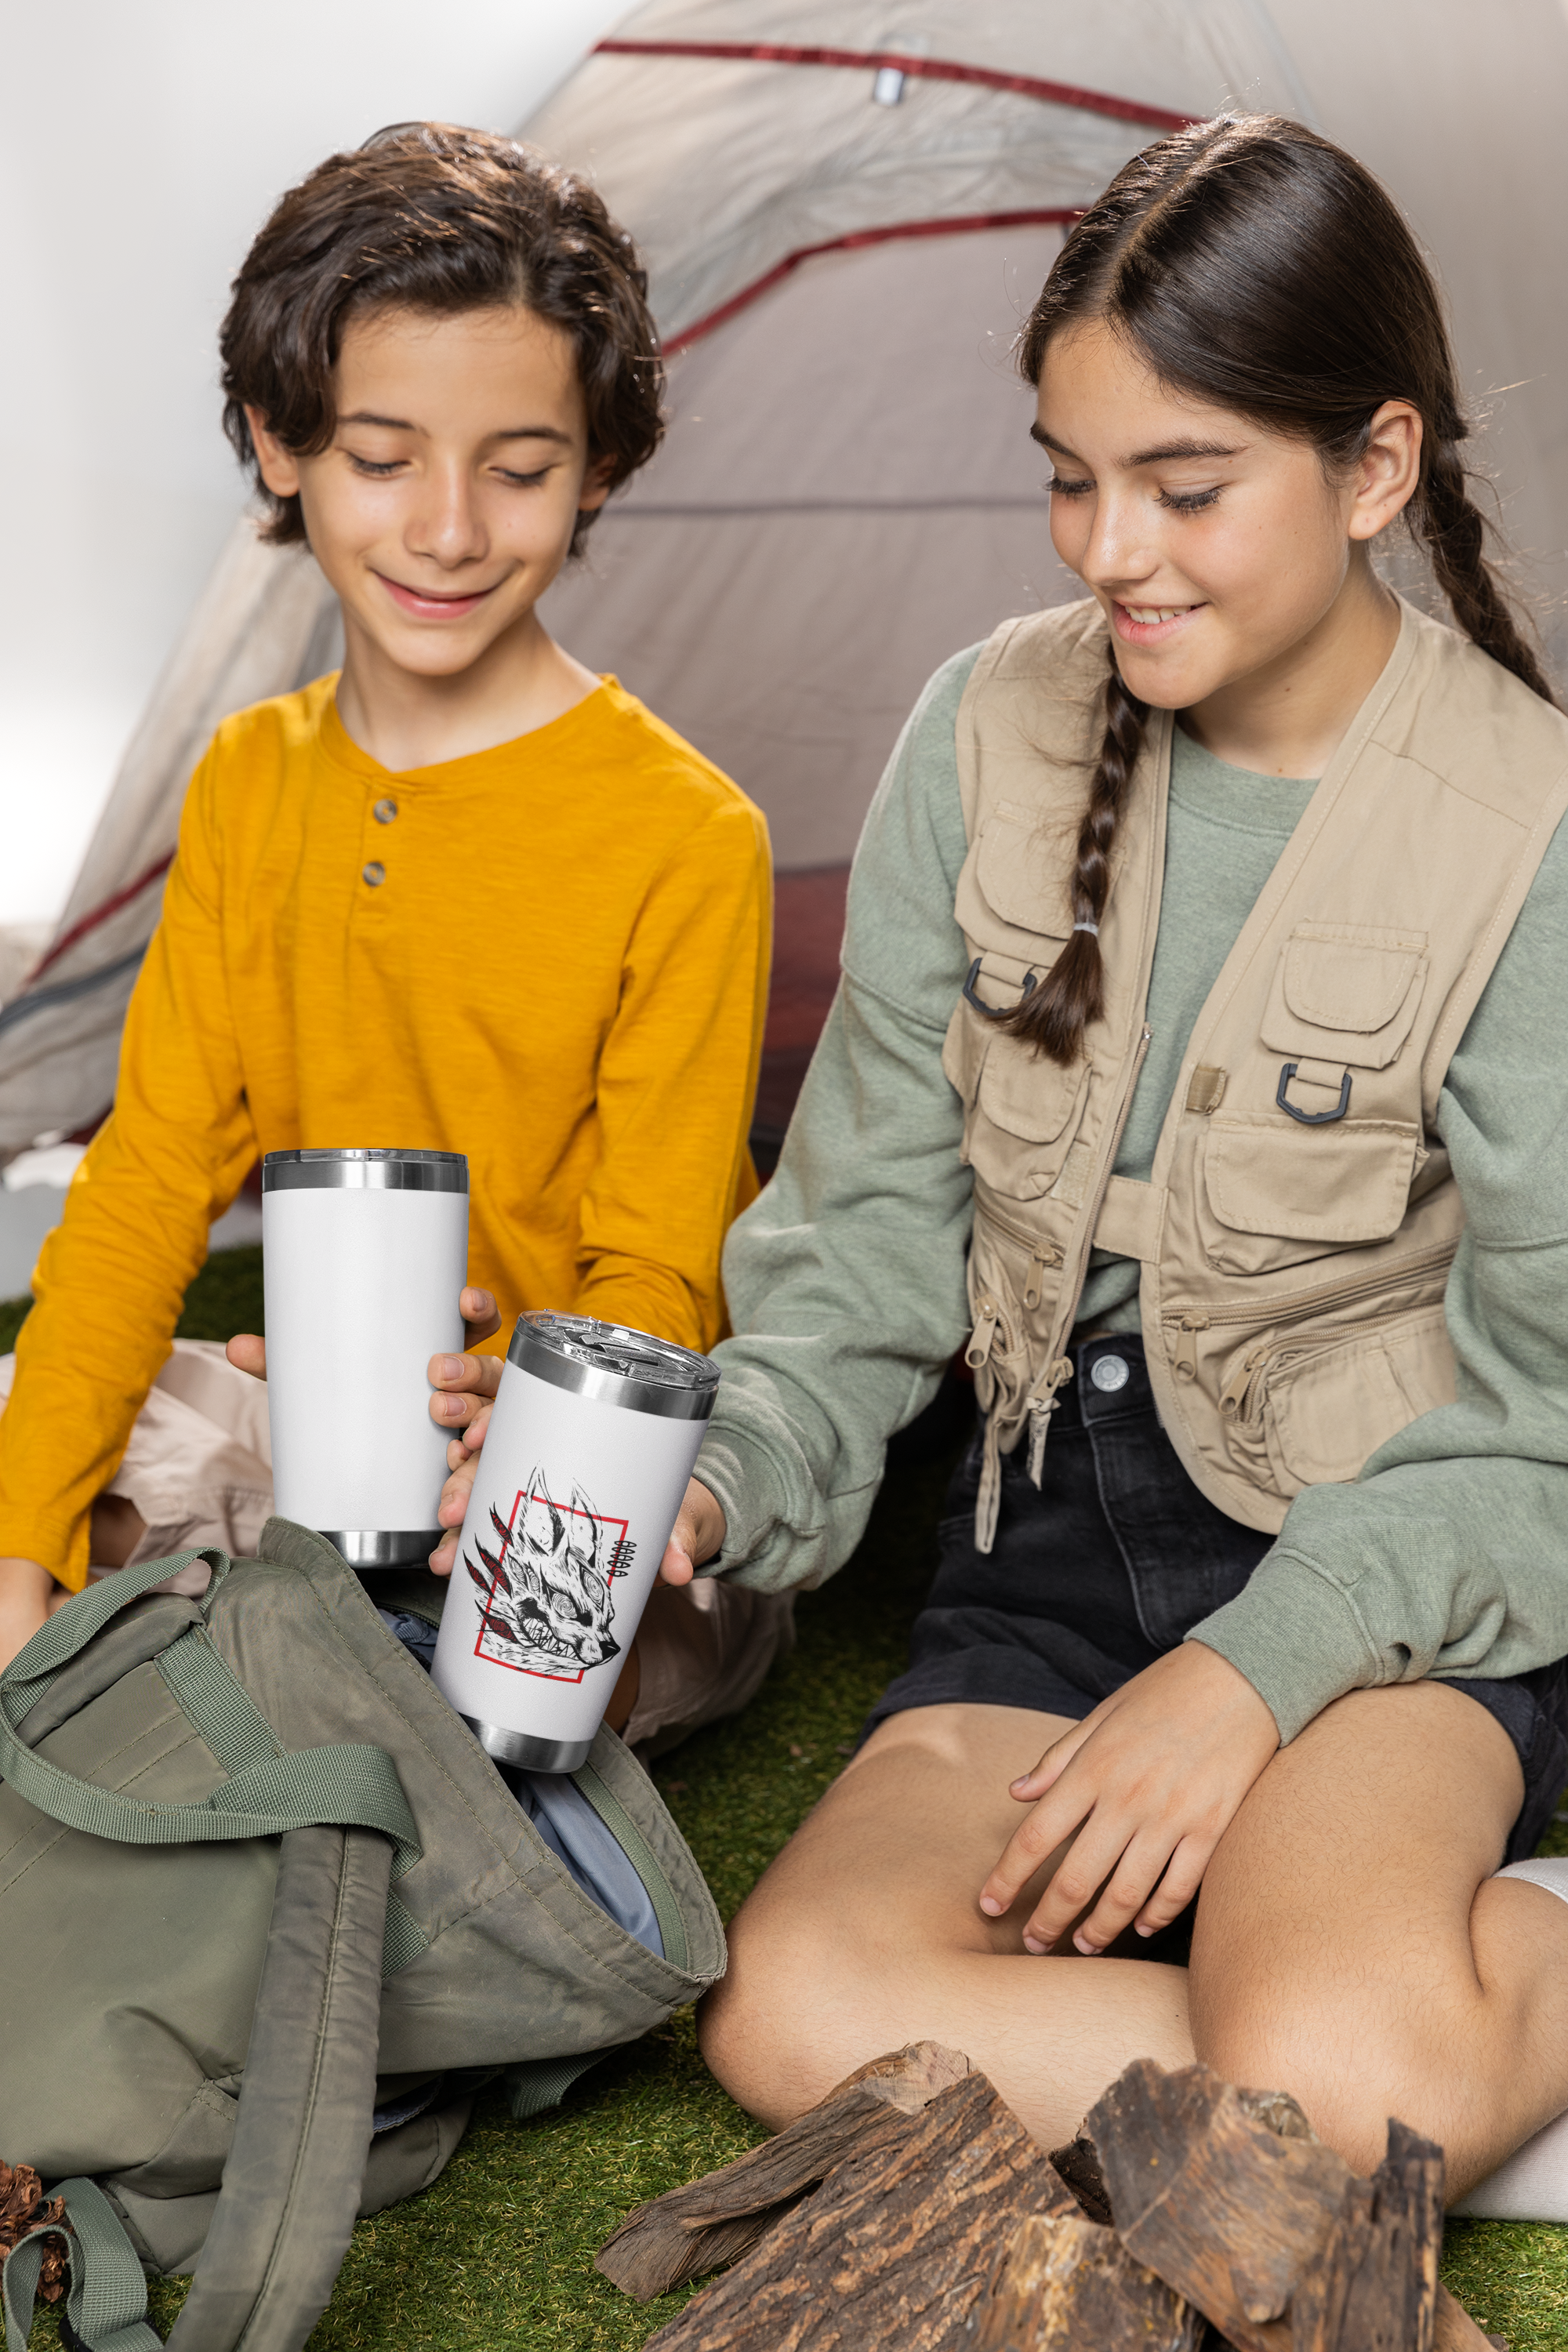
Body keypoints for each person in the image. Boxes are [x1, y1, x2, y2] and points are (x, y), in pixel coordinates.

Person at [441, 111, 1568, 2202]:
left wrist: (1253, 1678)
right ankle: (1385, 2069)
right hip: (1043, 1573)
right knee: (793, 2008)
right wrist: (719, 1476)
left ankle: (1416, 2017)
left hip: (1381, 1578)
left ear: (1377, 469)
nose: (1107, 550)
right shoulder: (983, 732)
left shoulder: (1534, 822)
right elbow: (862, 1252)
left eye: (1185, 485)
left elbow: (1548, 1422)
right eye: (1072, 479)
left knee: (1309, 2083)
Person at [0, 124, 791, 1753]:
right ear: (276, 445)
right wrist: (14, 1550)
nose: (447, 528)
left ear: (596, 470)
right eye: (381, 456)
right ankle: (271, 1610)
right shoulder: (249, 781)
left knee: (524, 1663)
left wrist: (526, 1426)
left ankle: (363, 1660)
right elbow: (150, 1179)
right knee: (36, 1444)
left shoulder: (686, 834)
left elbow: (655, 1276)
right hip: (319, 1425)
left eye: (517, 468)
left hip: (582, 1448)